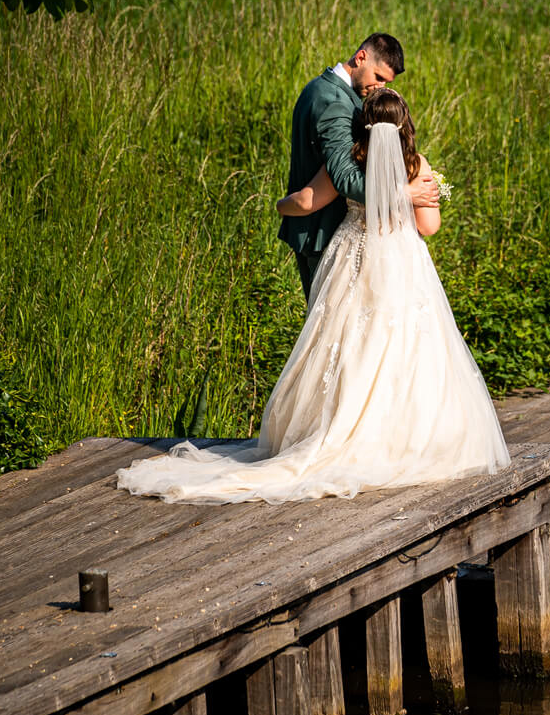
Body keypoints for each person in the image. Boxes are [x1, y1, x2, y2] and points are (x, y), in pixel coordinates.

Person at [116, 90, 510, 503]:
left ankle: (335, 427)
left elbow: (306, 201)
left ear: (363, 125)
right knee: (406, 344)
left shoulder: (349, 162)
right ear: (405, 125)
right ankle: (405, 436)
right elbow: (429, 227)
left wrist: (279, 205)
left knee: (346, 341)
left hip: (354, 256)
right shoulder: (418, 167)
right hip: (402, 261)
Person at [280, 33, 439, 303]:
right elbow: (344, 178)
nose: (380, 87)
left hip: (332, 229)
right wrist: (403, 195)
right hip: (323, 233)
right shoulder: (334, 102)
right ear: (361, 57)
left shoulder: (323, 87)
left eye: (387, 83)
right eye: (378, 77)